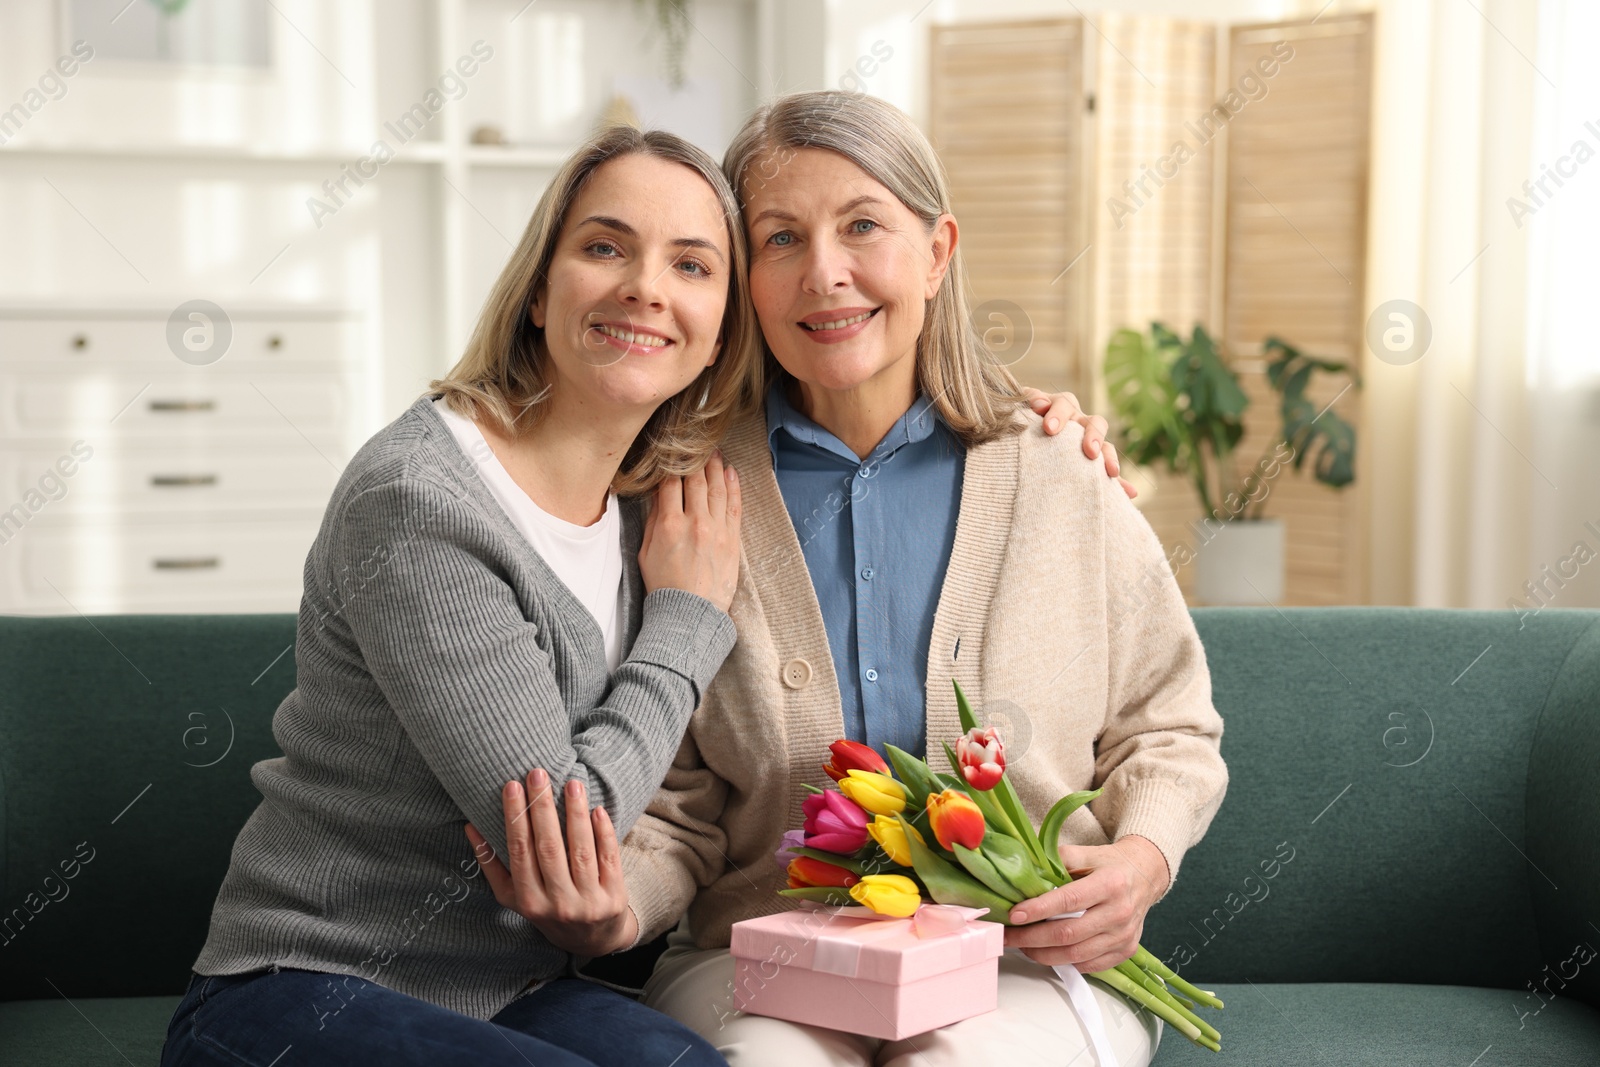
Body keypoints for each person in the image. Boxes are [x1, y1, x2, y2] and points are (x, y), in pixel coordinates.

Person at [480, 92, 1229, 1067]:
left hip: (1022, 963)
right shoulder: (681, 500)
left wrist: (1140, 858)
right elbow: (678, 802)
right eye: (780, 238)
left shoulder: (1055, 472)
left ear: (937, 249)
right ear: (747, 282)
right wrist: (612, 906)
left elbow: (1168, 725)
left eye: (863, 225)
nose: (823, 273)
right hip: (762, 955)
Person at [161, 125, 758, 1067]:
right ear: (536, 291)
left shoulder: (660, 511)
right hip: (304, 983)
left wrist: (1045, 420)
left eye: (692, 264)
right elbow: (571, 832)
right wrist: (687, 621)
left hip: (512, 990)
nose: (646, 285)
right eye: (604, 246)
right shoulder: (421, 500)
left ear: (722, 325)